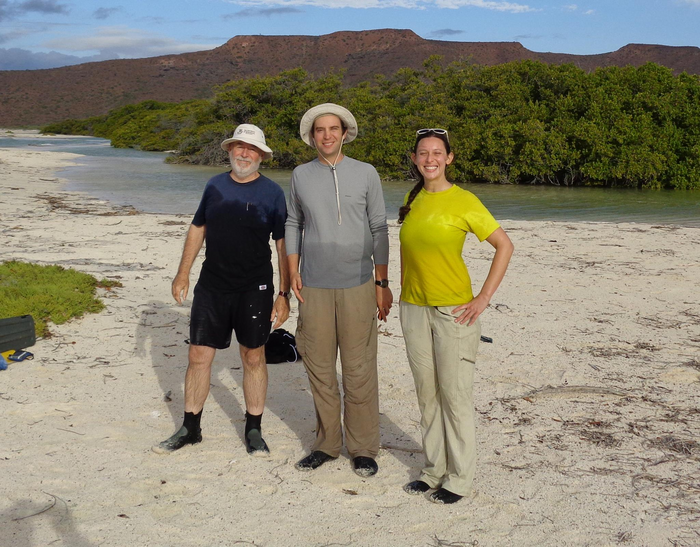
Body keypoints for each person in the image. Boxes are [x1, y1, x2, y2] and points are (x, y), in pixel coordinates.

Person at [153, 124, 290, 456]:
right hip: (212, 285)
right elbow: (198, 228)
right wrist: (182, 273)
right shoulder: (214, 186)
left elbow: (284, 244)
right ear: (229, 151)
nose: (244, 154)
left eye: (252, 149)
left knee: (253, 356)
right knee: (199, 355)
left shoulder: (273, 193)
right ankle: (190, 428)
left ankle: (253, 429)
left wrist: (283, 294)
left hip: (254, 287)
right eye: (239, 147)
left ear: (262, 156)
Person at [398, 128, 514, 504]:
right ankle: (433, 470)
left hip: (454, 312)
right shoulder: (411, 198)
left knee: (455, 395)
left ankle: (460, 479)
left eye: (437, 153)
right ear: (415, 159)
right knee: (427, 394)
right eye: (423, 153)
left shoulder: (464, 200)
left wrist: (483, 298)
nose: (429, 159)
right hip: (413, 308)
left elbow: (504, 245)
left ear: (449, 158)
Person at [285, 103, 392, 477]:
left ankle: (363, 448)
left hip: (359, 284)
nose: (327, 135)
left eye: (334, 129)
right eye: (320, 130)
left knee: (359, 367)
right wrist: (292, 271)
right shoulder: (300, 174)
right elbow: (293, 222)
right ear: (311, 137)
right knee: (319, 366)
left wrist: (382, 283)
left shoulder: (366, 173)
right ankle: (328, 444)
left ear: (345, 133)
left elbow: (379, 227)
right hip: (312, 284)